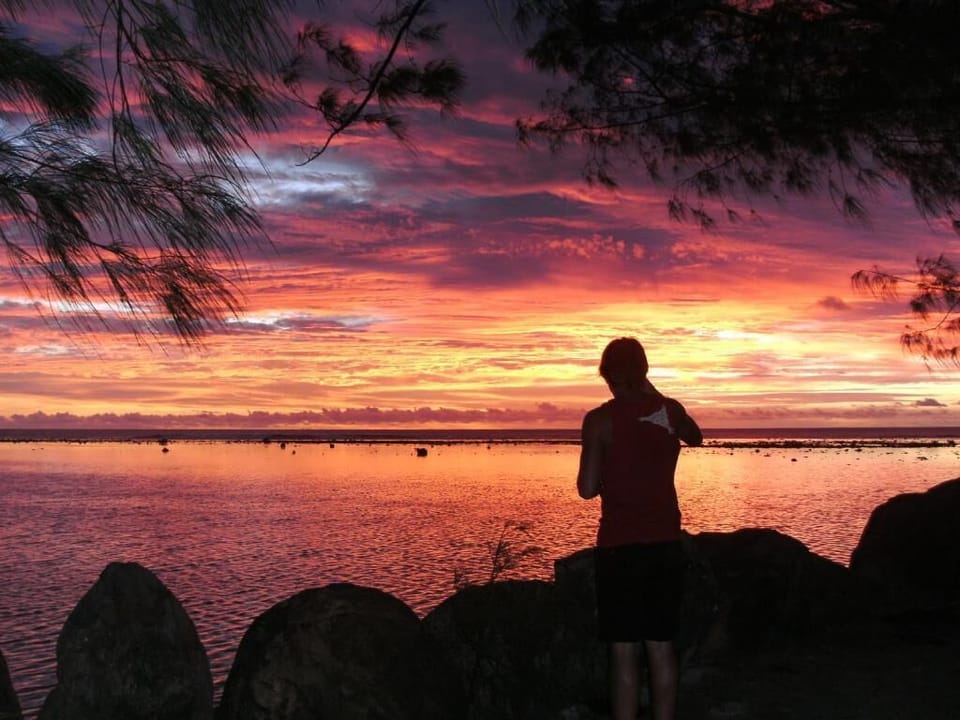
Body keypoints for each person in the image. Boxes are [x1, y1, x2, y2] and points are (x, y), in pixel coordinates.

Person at [577, 337, 702, 720]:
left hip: (620, 546)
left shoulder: (599, 420)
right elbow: (695, 437)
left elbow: (586, 489)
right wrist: (655, 396)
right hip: (665, 542)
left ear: (607, 375)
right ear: (645, 372)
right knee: (662, 646)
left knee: (623, 648)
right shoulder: (671, 411)